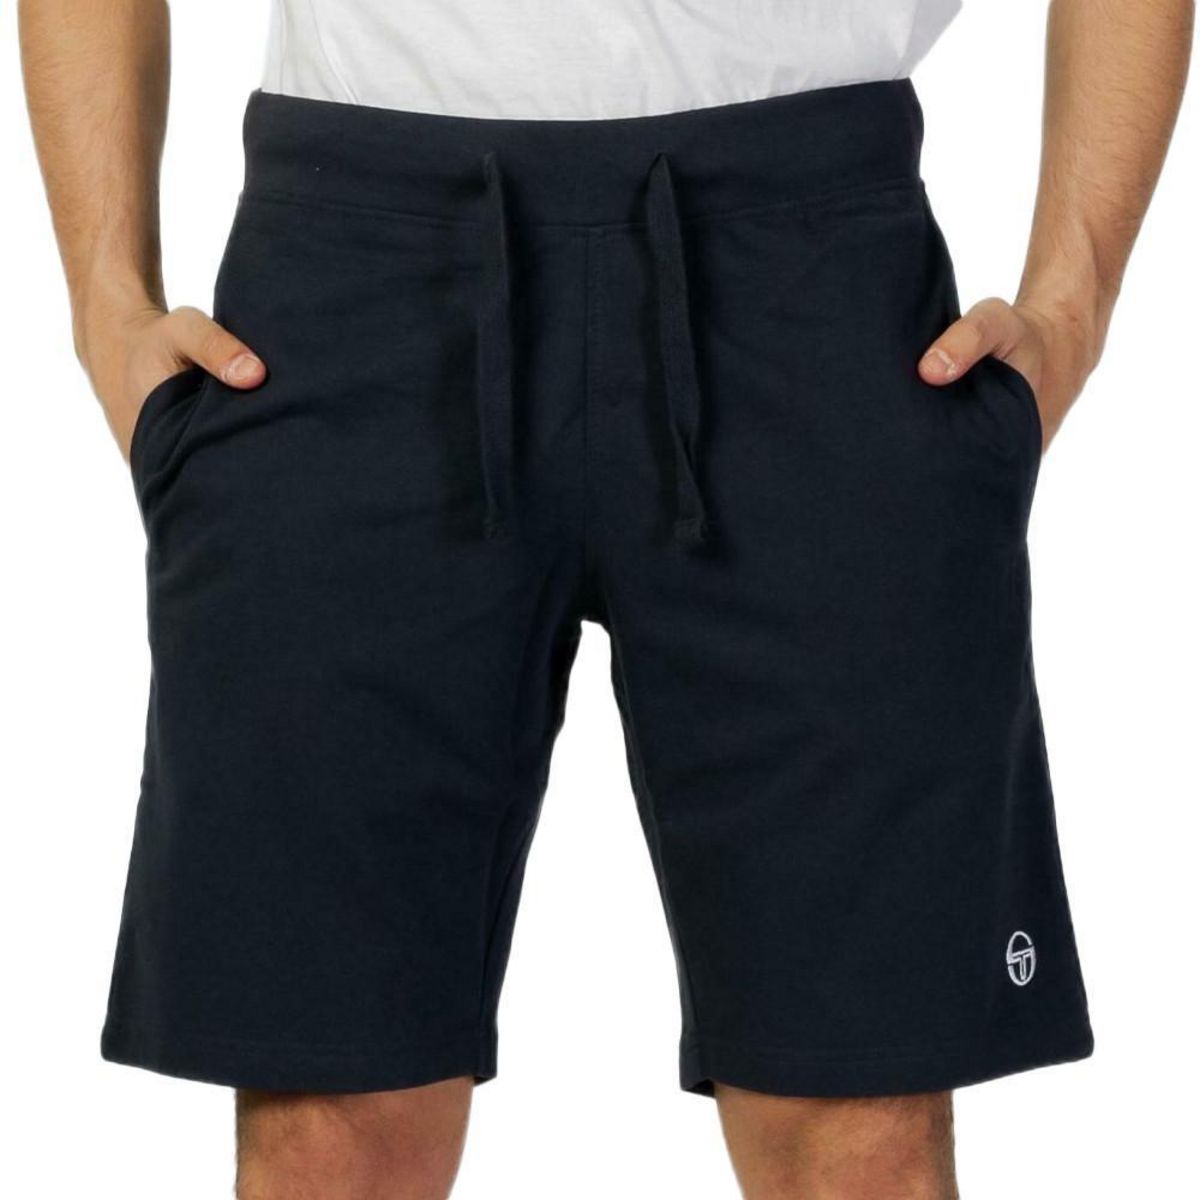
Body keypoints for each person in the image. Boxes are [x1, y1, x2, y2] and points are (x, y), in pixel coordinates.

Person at [19, 1, 1193, 1197]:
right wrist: (107, 301)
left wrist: (1073, 305)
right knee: (328, 1125)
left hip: (811, 272)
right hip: (356, 269)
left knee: (857, 1126)